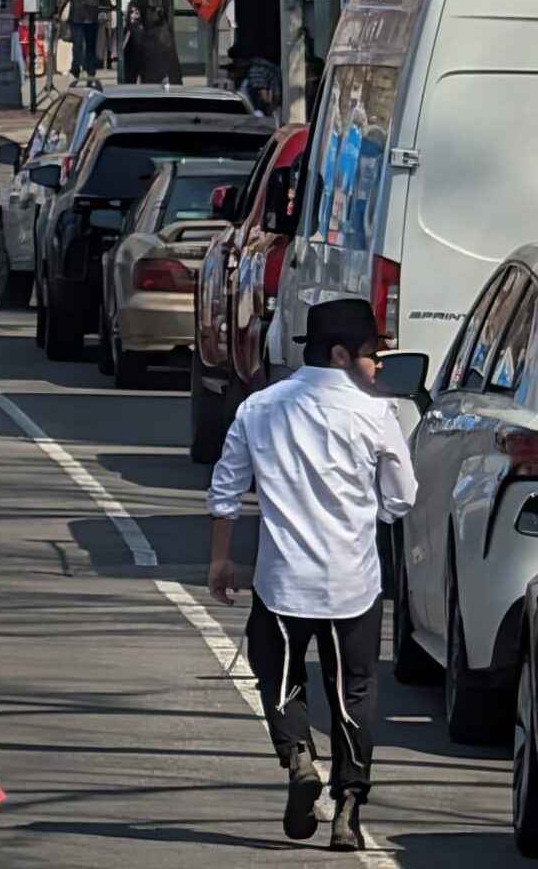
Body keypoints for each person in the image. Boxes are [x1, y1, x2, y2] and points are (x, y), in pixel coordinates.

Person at [206, 298, 417, 852]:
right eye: (374, 356)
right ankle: (348, 804)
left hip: (282, 583)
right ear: (342, 354)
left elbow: (226, 488)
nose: (379, 367)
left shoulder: (260, 407)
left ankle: (298, 755)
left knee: (277, 677)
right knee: (354, 691)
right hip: (353, 583)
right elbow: (401, 499)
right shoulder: (377, 414)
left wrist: (220, 560)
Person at [62, 0, 110, 80]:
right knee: (77, 46)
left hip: (91, 20)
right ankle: (76, 68)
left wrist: (103, 13)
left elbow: (105, 1)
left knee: (90, 46)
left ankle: (90, 70)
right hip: (77, 20)